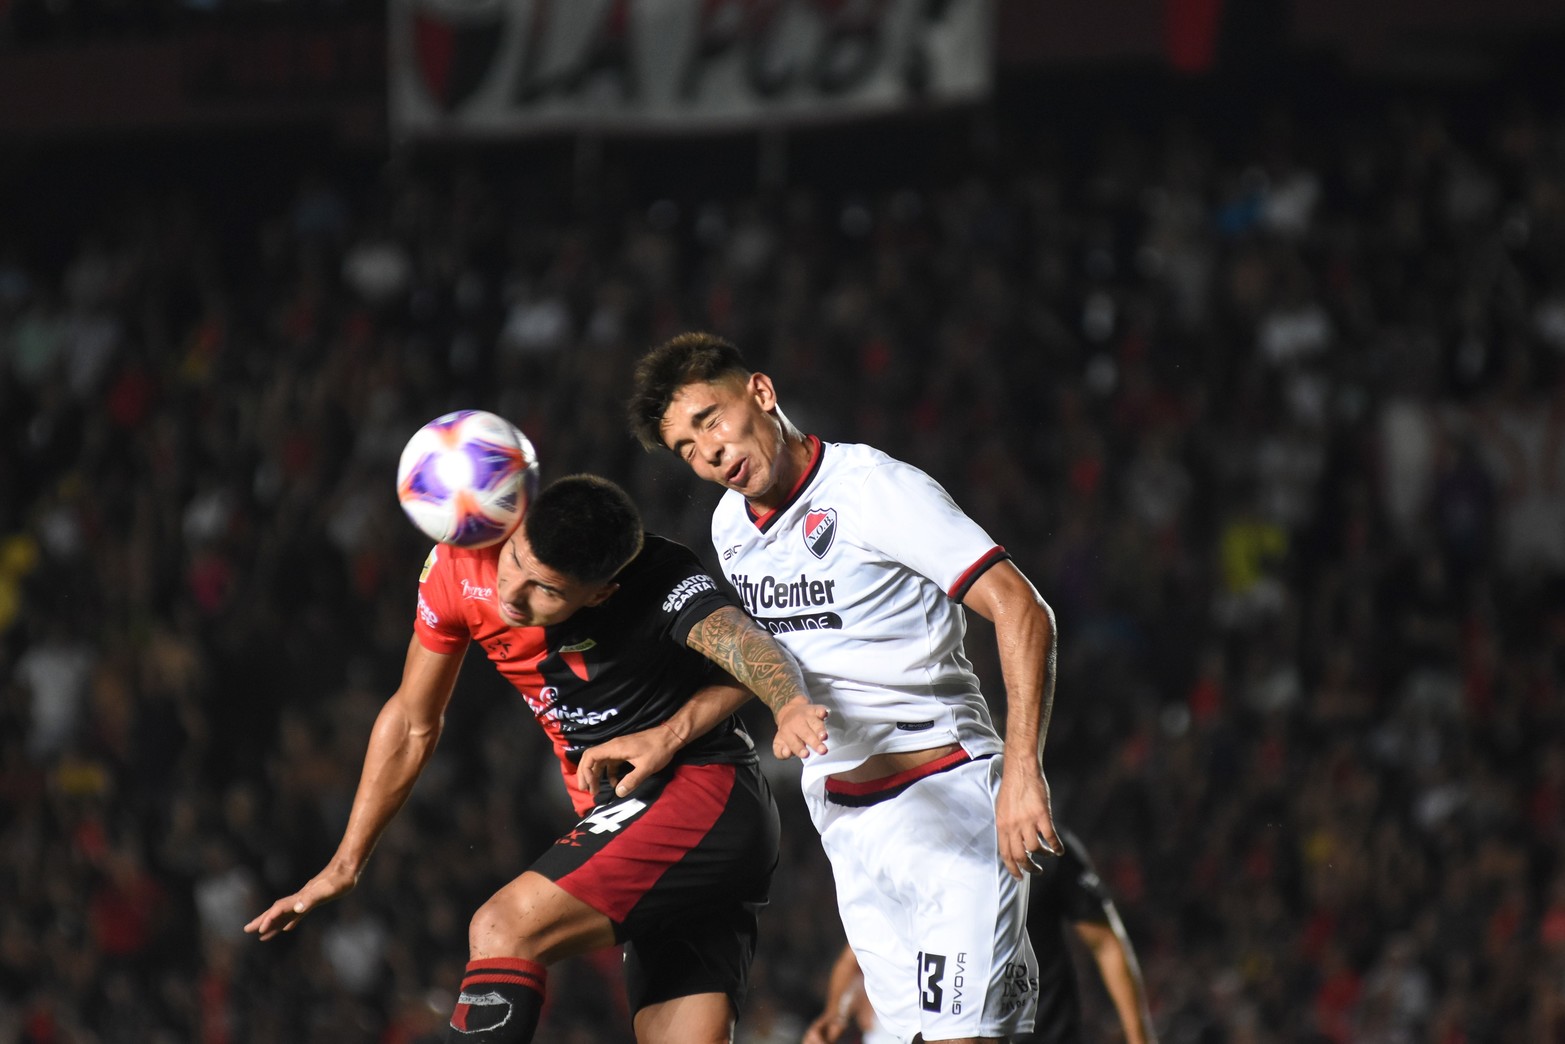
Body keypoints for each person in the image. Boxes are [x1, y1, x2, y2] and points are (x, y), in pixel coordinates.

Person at [245, 473, 830, 1044]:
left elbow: (752, 644)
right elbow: (411, 721)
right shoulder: (461, 563)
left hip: (702, 794)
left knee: (502, 927)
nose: (513, 594)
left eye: (546, 590)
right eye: (516, 563)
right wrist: (346, 863)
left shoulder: (656, 575)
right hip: (647, 825)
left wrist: (773, 708)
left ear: (600, 592)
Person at [629, 333, 1063, 1044]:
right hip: (849, 829)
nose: (706, 453)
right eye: (684, 447)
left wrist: (1022, 771)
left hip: (948, 804)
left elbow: (1021, 607)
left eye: (709, 420)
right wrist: (669, 733)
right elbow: (782, 655)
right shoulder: (730, 526)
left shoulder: (873, 491)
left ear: (760, 393)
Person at [803, 829, 1158, 1044]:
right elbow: (857, 956)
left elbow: (1106, 943)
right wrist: (837, 1013)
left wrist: (1140, 1038)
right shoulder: (929, 854)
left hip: (1045, 1033)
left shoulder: (1044, 842)